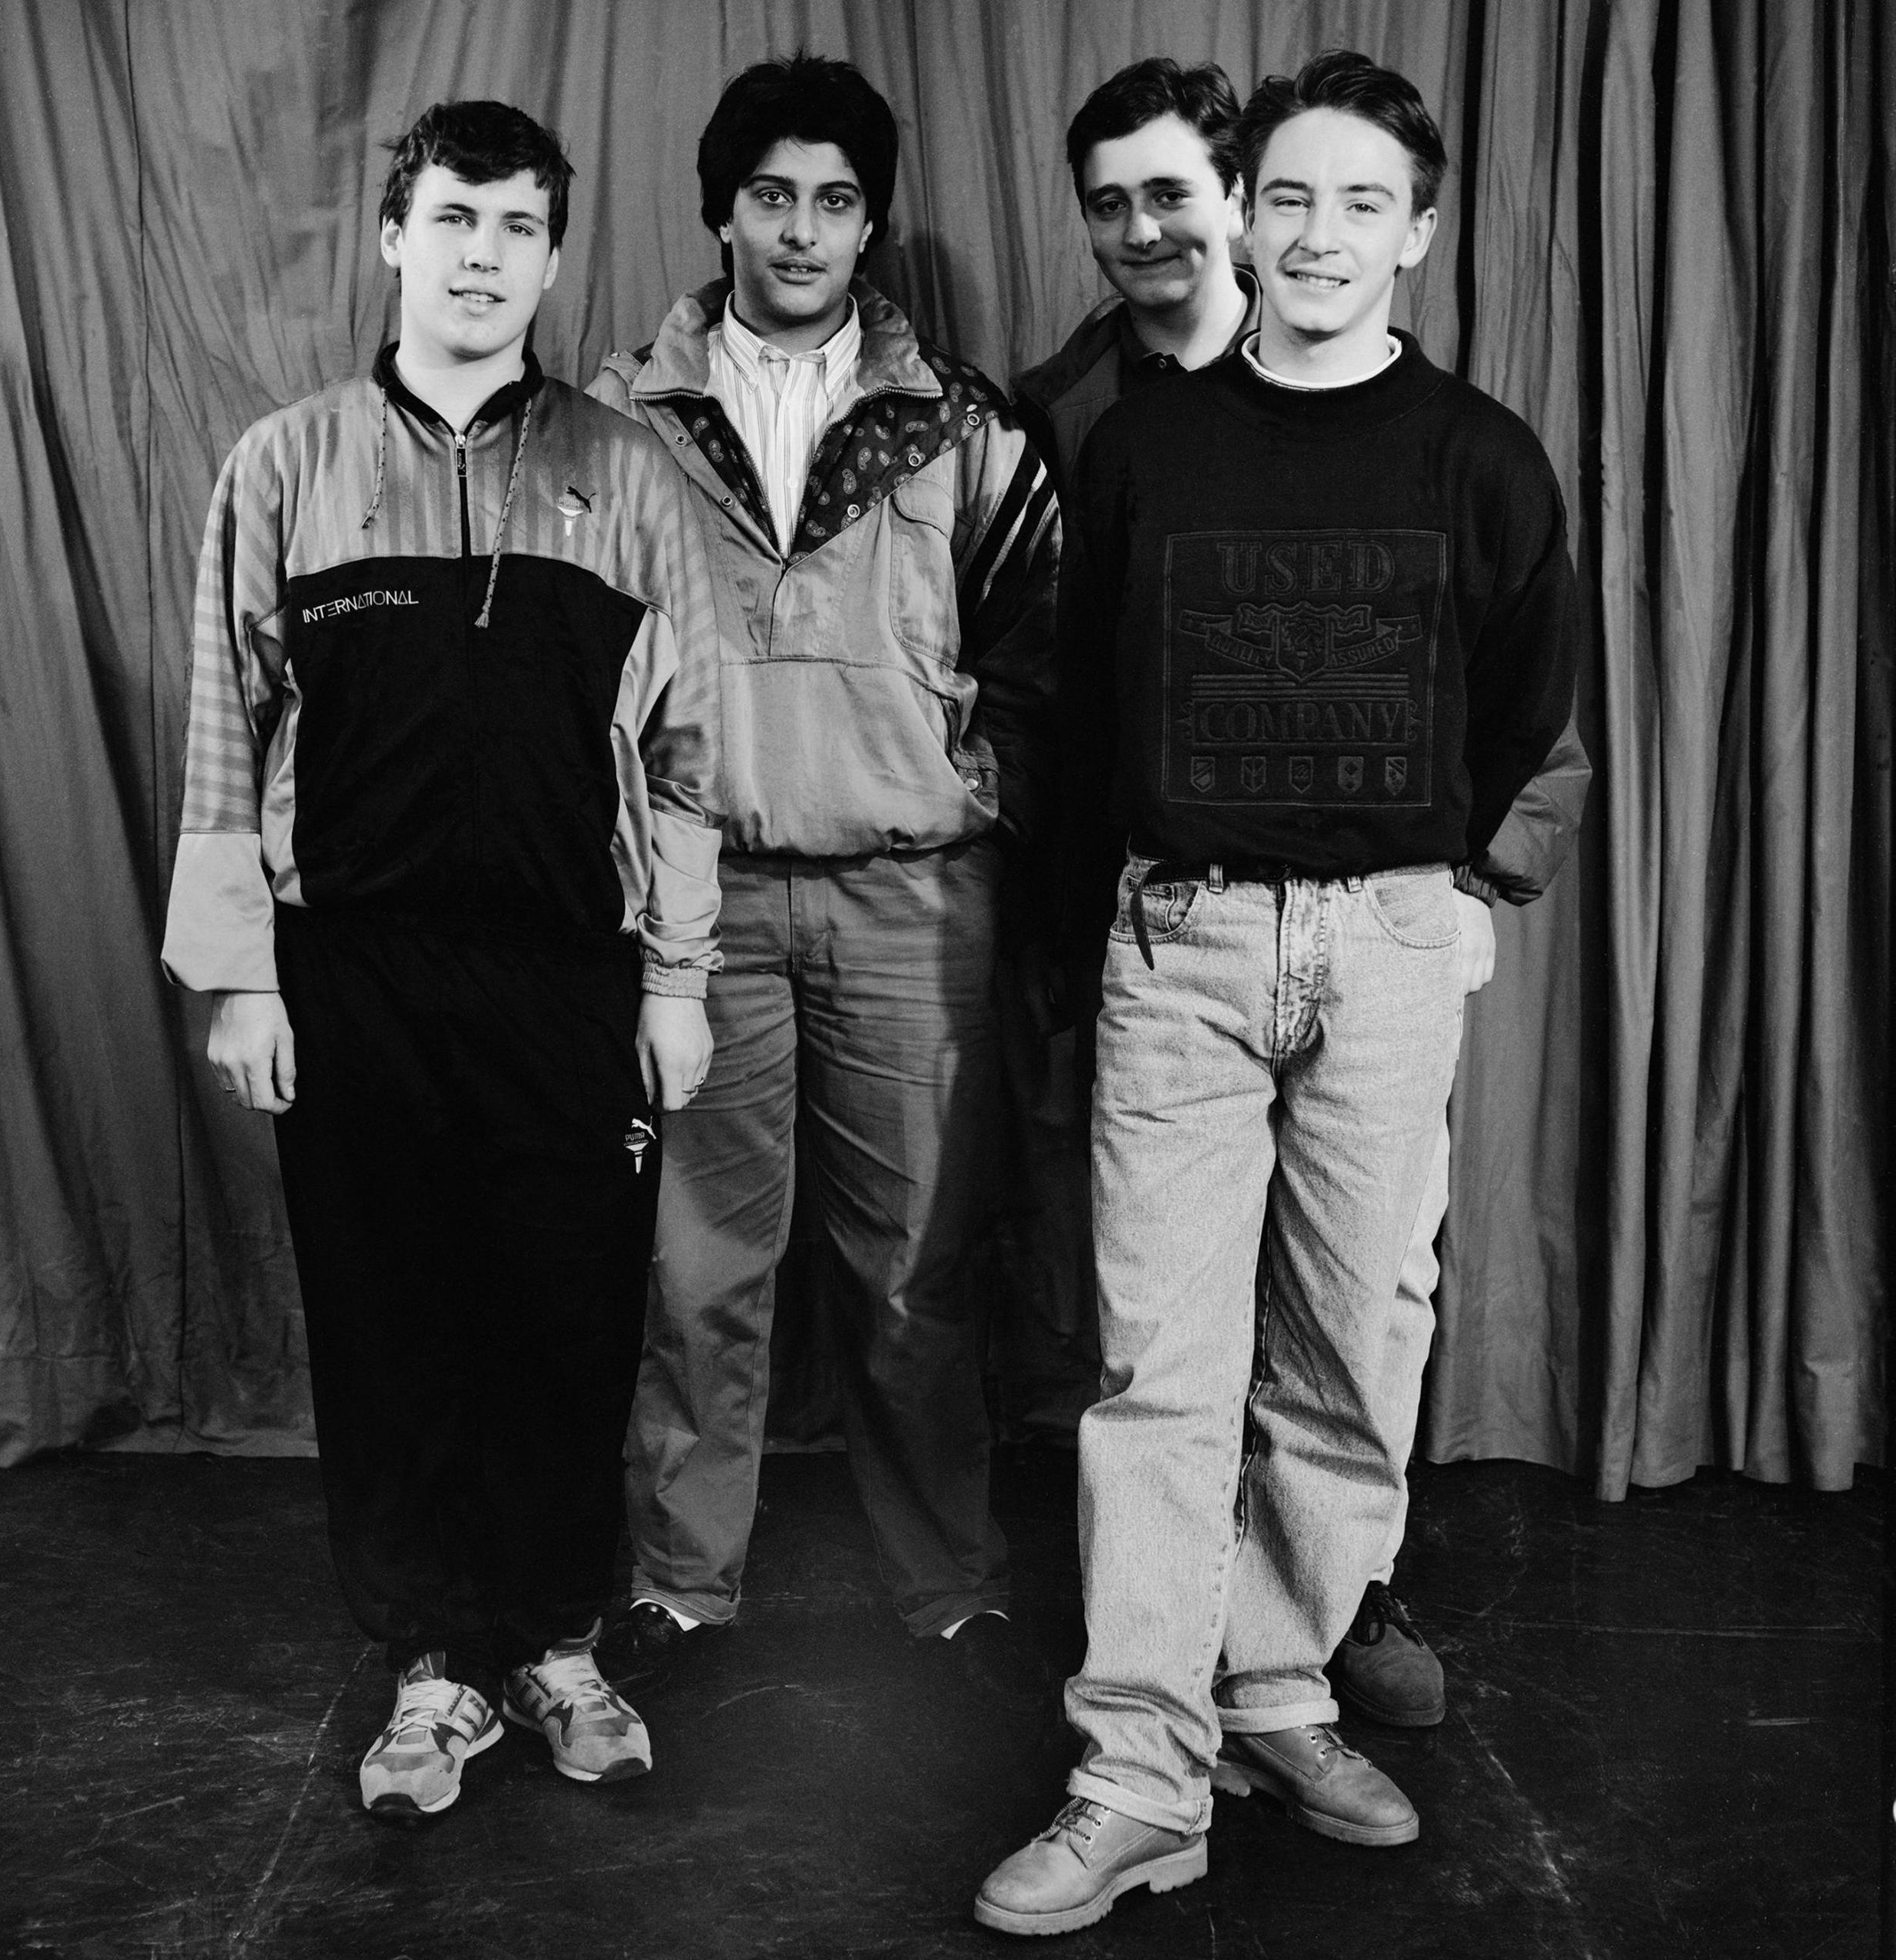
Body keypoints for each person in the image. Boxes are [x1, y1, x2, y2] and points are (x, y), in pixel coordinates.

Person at [977, 51, 1581, 1933]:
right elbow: (1081, 724)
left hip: (1389, 943)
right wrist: (1087, 951)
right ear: (1248, 214)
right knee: (1160, 1372)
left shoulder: (1478, 453)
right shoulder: (1144, 442)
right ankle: (1137, 1772)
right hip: (1181, 943)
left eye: (1357, 205)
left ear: (1414, 232)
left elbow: (1520, 703)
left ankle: (1280, 1689)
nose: (1315, 235)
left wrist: (1419, 886)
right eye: (1287, 199)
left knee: (1353, 1342)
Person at [159, 100, 724, 1822]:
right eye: (454, 220)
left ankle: (554, 1637)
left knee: (565, 1313)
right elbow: (218, 733)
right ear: (395, 236)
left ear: (553, 259)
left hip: (569, 975)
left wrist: (677, 978)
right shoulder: (286, 464)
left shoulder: (625, 473)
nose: (482, 257)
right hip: (352, 976)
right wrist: (241, 978)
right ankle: (429, 1667)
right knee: (391, 1317)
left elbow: (690, 752)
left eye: (517, 229)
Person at [587, 54, 1059, 1689]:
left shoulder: (965, 420)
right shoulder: (617, 418)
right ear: (719, 208)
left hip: (912, 899)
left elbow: (1036, 650)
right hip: (698, 907)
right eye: (771, 194)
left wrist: (955, 777)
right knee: (696, 1264)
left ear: (871, 224)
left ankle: (947, 1577)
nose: (801, 229)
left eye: (836, 200)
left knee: (917, 1264)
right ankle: (681, 1579)